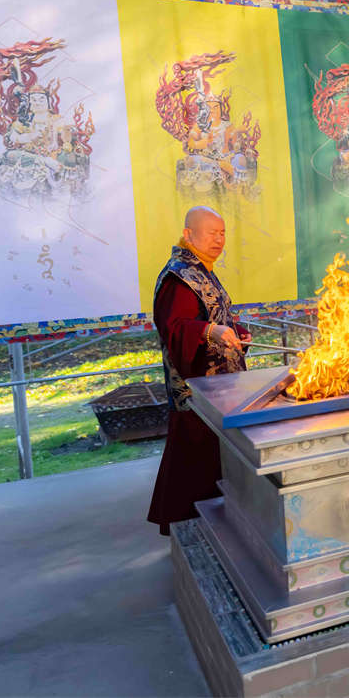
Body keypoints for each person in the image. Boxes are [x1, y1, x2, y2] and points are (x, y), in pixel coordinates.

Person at [147, 206, 251, 535]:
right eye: (211, 233)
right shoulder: (179, 277)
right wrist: (209, 331)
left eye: (222, 233)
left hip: (220, 384)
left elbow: (214, 315)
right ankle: (187, 527)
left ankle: (218, 522)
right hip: (195, 387)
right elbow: (174, 327)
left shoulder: (202, 269)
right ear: (188, 234)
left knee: (214, 455)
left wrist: (234, 332)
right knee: (194, 456)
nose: (219, 240)